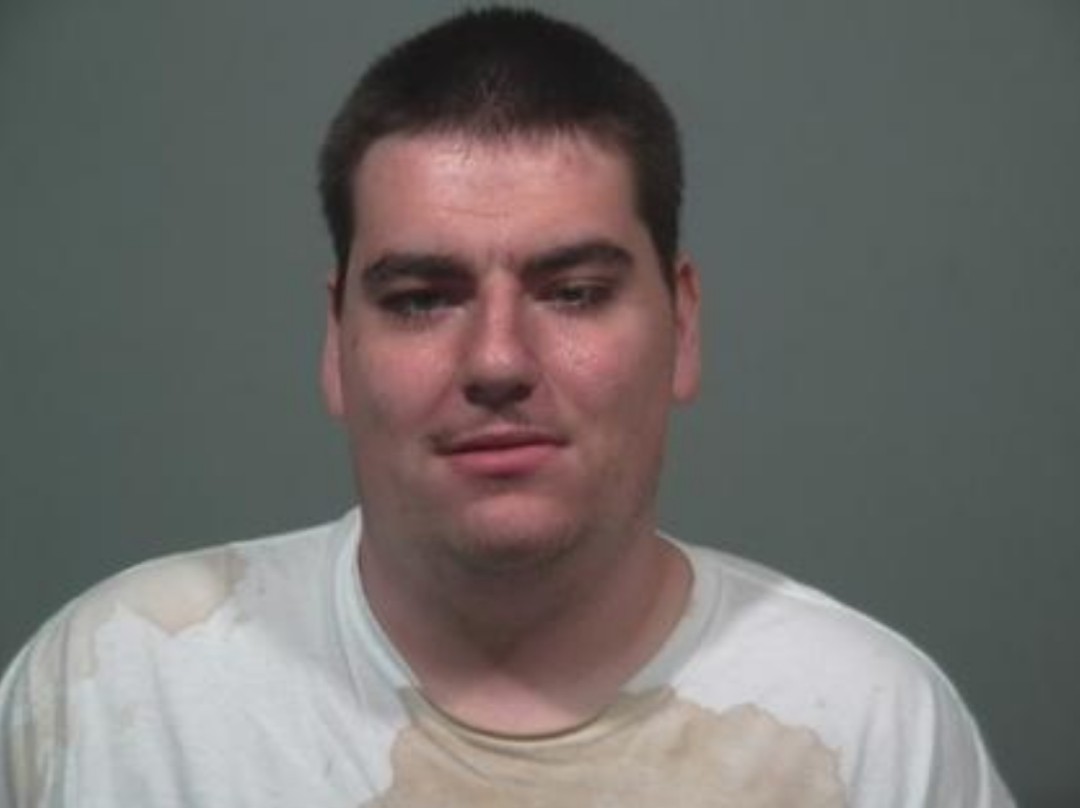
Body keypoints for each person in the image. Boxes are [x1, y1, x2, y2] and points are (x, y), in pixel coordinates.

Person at [0, 7, 1014, 807]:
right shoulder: (116, 686)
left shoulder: (870, 727)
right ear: (336, 340)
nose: (496, 360)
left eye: (573, 291)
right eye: (421, 298)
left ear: (683, 325)